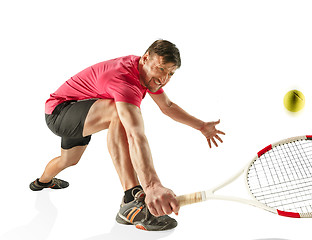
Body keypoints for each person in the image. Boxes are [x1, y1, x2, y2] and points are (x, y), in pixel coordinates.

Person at [29, 40, 225, 231]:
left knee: (69, 160)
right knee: (118, 112)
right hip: (60, 112)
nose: (164, 78)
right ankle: (131, 198)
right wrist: (152, 186)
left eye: (171, 73)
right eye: (161, 69)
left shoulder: (147, 74)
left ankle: (43, 181)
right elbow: (135, 135)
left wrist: (201, 126)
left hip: (83, 111)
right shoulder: (123, 79)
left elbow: (167, 106)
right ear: (146, 58)